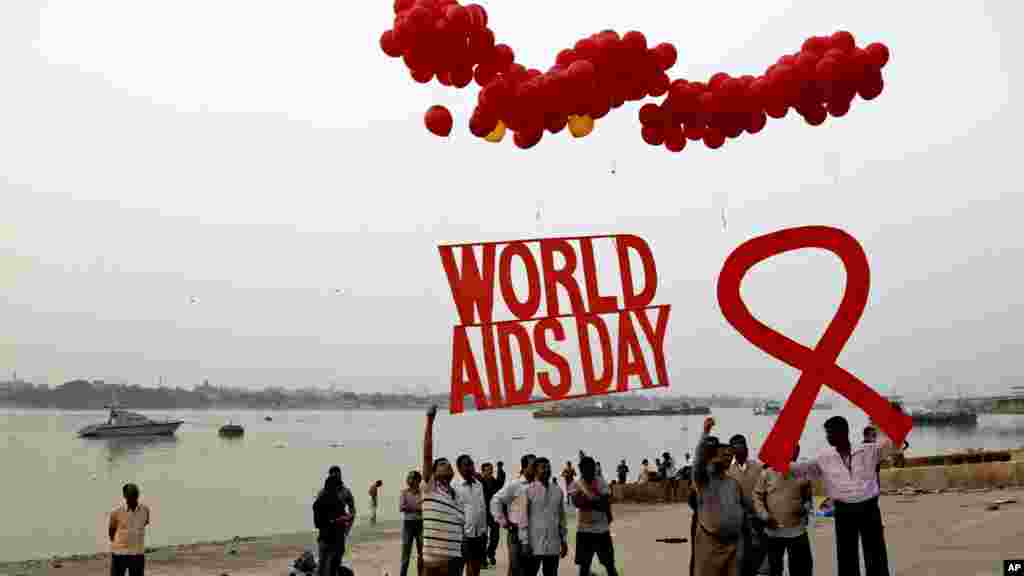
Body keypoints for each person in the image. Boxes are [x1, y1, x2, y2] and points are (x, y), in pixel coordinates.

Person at [784, 415, 903, 576]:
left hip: (869, 508)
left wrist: (887, 418)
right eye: (827, 433)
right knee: (846, 555)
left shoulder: (868, 450)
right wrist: (778, 457)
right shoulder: (824, 457)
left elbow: (894, 442)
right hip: (843, 510)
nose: (827, 437)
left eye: (830, 433)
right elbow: (800, 469)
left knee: (875, 551)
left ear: (843, 432)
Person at [692, 417, 746, 576]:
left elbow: (740, 511)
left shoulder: (733, 484)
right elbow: (699, 460)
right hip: (710, 544)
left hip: (733, 545)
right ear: (714, 456)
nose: (728, 457)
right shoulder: (703, 480)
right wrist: (706, 432)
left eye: (731, 455)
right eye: (724, 454)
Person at [753, 444, 812, 576]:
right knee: (775, 568)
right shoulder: (766, 473)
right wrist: (765, 516)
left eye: (796, 452)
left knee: (800, 568)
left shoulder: (802, 473)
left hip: (797, 531)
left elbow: (808, 498)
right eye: (790, 452)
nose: (793, 456)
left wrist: (805, 508)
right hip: (773, 531)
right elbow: (757, 497)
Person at [422, 405, 466, 575]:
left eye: (448, 463)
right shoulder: (431, 487)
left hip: (454, 559)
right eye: (441, 464)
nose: (447, 465)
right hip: (433, 560)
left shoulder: (457, 494)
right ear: (433, 473)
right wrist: (430, 421)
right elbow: (427, 453)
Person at [569, 456, 618, 576]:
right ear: (581, 469)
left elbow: (606, 502)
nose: (589, 471)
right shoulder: (576, 484)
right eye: (585, 468)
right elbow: (577, 503)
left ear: (594, 468)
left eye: (591, 468)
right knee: (584, 567)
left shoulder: (601, 481)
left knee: (610, 565)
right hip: (584, 530)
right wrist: (598, 501)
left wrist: (588, 501)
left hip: (602, 530)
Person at [519, 457, 568, 576]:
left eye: (548, 467)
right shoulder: (527, 491)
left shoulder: (558, 491)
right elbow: (522, 519)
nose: (547, 470)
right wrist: (525, 542)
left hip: (553, 544)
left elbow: (561, 518)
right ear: (535, 470)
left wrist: (564, 540)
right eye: (543, 468)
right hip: (533, 545)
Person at [727, 435, 766, 576]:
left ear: (747, 450)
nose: (739, 452)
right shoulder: (728, 472)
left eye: (741, 448)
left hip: (759, 517)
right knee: (742, 555)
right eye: (735, 449)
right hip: (738, 521)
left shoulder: (759, 468)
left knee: (761, 550)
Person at [492, 453, 537, 576]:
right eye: (533, 465)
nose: (536, 468)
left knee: (531, 569)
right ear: (524, 468)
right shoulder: (515, 485)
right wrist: (503, 521)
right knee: (516, 568)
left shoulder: (539, 485)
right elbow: (496, 500)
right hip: (516, 534)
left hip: (535, 534)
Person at [315, 469, 354, 576]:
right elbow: (319, 520)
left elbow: (352, 512)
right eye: (334, 477)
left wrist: (347, 528)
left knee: (334, 565)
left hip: (338, 536)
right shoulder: (322, 494)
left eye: (338, 476)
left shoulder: (345, 492)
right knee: (323, 567)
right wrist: (335, 521)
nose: (336, 479)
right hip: (326, 536)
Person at [455, 454, 489, 576]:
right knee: (464, 566)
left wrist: (485, 531)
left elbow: (482, 507)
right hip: (464, 535)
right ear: (459, 468)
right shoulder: (455, 487)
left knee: (476, 566)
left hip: (480, 534)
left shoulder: (479, 485)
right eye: (466, 465)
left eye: (471, 464)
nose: (470, 467)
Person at [109, 483, 150, 576]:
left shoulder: (145, 510)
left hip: (137, 553)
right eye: (130, 494)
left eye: (135, 494)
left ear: (138, 494)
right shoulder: (116, 512)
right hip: (120, 553)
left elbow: (144, 523)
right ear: (125, 495)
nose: (133, 497)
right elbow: (111, 531)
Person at [399, 470, 425, 576]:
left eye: (410, 478)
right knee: (406, 554)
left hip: (420, 524)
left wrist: (411, 507)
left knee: (422, 554)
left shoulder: (422, 493)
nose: (408, 480)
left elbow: (424, 507)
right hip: (408, 525)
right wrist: (417, 507)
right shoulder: (404, 492)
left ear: (417, 480)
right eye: (408, 478)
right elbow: (401, 507)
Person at [481, 463, 502, 568]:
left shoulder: (495, 482)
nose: (490, 472)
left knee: (495, 536)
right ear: (483, 471)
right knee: (483, 537)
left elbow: (501, 483)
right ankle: (483, 558)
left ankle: (490, 552)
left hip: (493, 513)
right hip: (482, 513)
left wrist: (500, 469)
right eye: (488, 470)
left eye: (491, 470)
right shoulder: (478, 482)